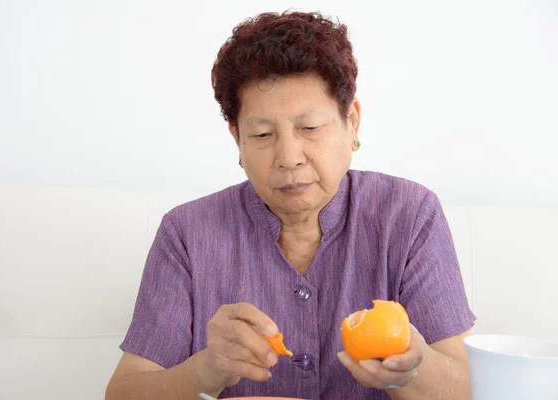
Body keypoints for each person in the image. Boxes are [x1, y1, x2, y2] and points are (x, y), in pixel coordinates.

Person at [105, 10, 475, 400]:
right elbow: (124, 392)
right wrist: (207, 369)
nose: (289, 157)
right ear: (238, 141)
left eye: (310, 128)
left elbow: (469, 388)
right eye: (262, 134)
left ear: (352, 122)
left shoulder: (410, 215)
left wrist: (414, 369)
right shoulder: (187, 233)